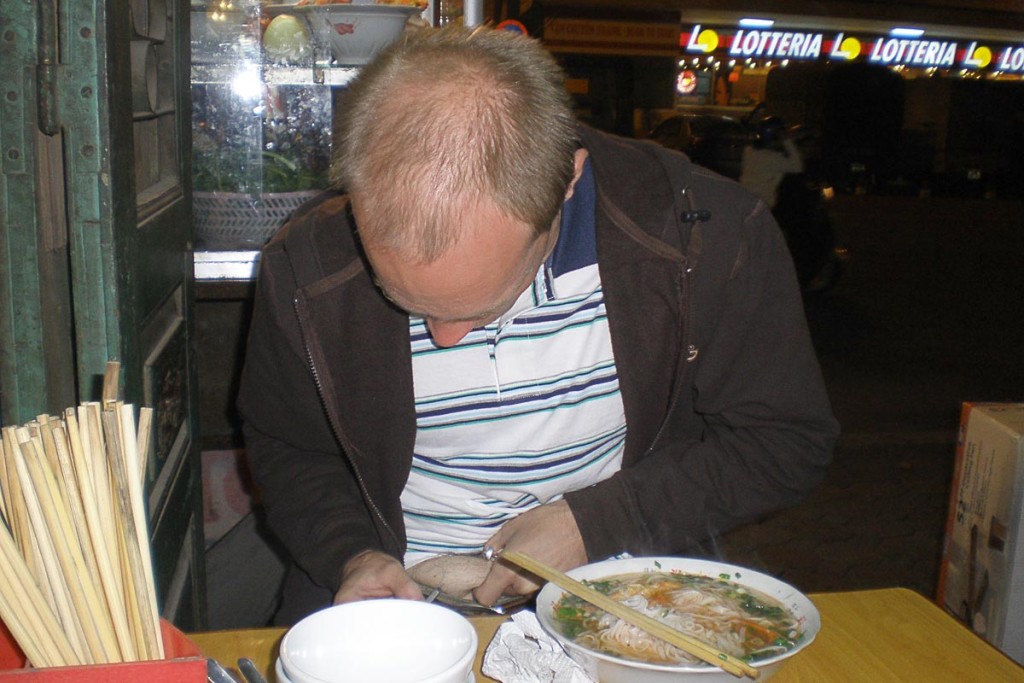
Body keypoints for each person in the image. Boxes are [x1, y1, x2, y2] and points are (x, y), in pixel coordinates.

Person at [237, 25, 839, 625]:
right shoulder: (308, 262)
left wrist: (598, 521)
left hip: (616, 595)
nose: (446, 339)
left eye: (483, 305)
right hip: (396, 606)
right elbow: (288, 446)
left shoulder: (703, 236)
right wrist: (350, 552)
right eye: (400, 298)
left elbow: (784, 441)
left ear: (568, 182)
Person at [739, 116, 805, 209]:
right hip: (761, 205)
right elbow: (798, 167)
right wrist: (787, 141)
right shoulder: (772, 158)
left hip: (746, 199)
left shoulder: (749, 151)